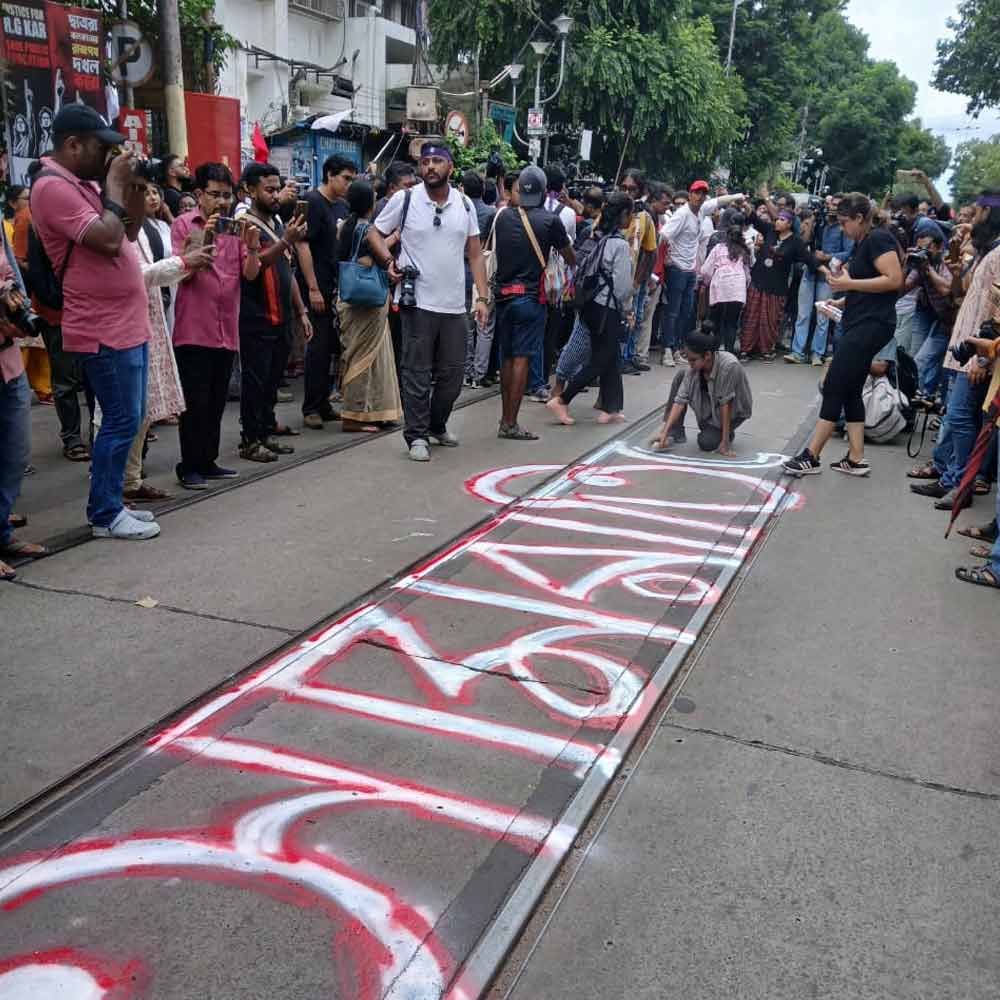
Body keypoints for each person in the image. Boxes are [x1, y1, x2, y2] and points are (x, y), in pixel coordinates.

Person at [31, 104, 159, 539]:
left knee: (133, 417)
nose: (108, 154)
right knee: (121, 419)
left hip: (127, 321)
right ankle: (104, 513)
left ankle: (113, 503)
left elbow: (130, 232)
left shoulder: (85, 184)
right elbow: (105, 240)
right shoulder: (51, 187)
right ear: (72, 144)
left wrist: (135, 184)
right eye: (101, 147)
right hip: (102, 325)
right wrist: (116, 184)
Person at [367, 142, 489, 462]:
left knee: (453, 374)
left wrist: (483, 297)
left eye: (437, 161)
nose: (430, 166)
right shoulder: (405, 199)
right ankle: (417, 435)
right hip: (417, 301)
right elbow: (374, 234)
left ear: (450, 167)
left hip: (454, 305)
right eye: (426, 162)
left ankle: (437, 424)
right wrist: (387, 262)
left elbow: (475, 254)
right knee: (417, 372)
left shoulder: (464, 204)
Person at [783, 193, 903, 478]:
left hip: (871, 325)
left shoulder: (878, 239)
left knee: (835, 384)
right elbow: (866, 285)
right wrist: (842, 300)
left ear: (860, 219)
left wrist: (849, 283)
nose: (843, 228)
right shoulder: (863, 242)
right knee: (850, 389)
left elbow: (893, 280)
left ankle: (811, 455)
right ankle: (856, 458)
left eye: (846, 222)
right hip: (861, 319)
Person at [114, 197, 216, 503]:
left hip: (151, 323)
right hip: (120, 329)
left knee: (141, 410)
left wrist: (185, 260)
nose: (147, 197)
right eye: (136, 190)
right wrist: (184, 262)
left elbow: (158, 272)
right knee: (117, 415)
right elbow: (135, 275)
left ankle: (131, 480)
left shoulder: (147, 228)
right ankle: (111, 491)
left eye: (146, 189)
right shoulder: (108, 230)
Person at [910, 194, 1000, 509]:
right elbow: (960, 293)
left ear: (988, 212)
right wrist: (954, 265)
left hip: (976, 354)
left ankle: (961, 484)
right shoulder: (987, 251)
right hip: (961, 347)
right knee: (955, 414)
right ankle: (950, 479)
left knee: (962, 417)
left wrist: (984, 356)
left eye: (974, 212)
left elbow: (997, 312)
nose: (969, 219)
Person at [171, 162, 253, 490]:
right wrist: (206, 234)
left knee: (218, 400)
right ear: (199, 194)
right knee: (194, 402)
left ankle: (208, 460)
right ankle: (188, 465)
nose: (221, 202)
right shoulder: (182, 225)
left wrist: (253, 245)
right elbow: (184, 267)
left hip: (226, 327)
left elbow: (249, 273)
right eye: (215, 195)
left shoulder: (236, 229)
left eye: (227, 195)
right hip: (194, 327)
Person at [491, 165, 574, 440]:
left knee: (506, 356)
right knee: (522, 359)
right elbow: (569, 256)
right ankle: (510, 423)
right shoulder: (550, 221)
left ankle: (504, 417)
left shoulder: (502, 217)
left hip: (502, 297)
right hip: (529, 298)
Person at [238, 162, 311, 463]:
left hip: (282, 314)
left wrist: (301, 310)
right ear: (249, 190)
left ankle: (266, 429)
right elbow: (251, 270)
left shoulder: (279, 222)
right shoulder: (244, 223)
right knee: (255, 380)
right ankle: (250, 439)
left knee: (272, 378)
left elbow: (287, 271)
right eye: (268, 190)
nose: (274, 195)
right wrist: (285, 242)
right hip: (256, 315)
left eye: (276, 188)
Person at [546, 192, 634, 427]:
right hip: (608, 309)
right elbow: (624, 287)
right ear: (623, 215)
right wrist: (627, 310)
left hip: (591, 306)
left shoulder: (597, 237)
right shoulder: (620, 245)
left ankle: (611, 408)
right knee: (601, 359)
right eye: (630, 213)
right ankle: (562, 400)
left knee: (611, 355)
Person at [336, 179, 402, 431]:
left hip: (349, 298)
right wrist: (394, 236)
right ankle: (353, 415)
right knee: (364, 358)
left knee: (368, 355)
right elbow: (375, 254)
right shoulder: (367, 230)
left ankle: (375, 411)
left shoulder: (344, 226)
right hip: (368, 301)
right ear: (371, 203)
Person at [658, 180, 746, 367]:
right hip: (677, 268)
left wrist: (738, 196)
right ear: (690, 194)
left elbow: (719, 201)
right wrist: (664, 259)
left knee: (686, 312)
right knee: (672, 312)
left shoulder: (701, 210)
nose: (700, 196)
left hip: (691, 269)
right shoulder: (682, 214)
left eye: (703, 193)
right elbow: (663, 236)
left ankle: (676, 349)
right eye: (696, 193)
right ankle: (667, 349)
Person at [296, 154, 356, 430]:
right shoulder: (311, 202)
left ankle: (323, 402)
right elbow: (302, 246)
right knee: (317, 349)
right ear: (330, 175)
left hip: (336, 287)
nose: (348, 184)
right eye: (345, 178)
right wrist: (313, 288)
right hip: (316, 286)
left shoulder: (342, 207)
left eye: (351, 179)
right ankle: (310, 407)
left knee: (332, 347)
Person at [651, 329, 753, 455]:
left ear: (708, 355)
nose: (690, 363)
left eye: (693, 360)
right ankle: (675, 429)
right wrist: (664, 432)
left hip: (733, 412)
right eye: (688, 359)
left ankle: (726, 433)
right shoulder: (694, 367)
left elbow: (726, 403)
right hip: (710, 405)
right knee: (681, 375)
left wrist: (725, 442)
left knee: (706, 442)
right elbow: (680, 400)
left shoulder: (729, 366)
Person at [740, 204, 819, 361]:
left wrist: (827, 272)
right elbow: (754, 218)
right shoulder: (769, 230)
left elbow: (810, 259)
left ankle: (765, 350)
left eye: (782, 220)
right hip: (758, 281)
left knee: (769, 320)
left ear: (789, 224)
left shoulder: (795, 242)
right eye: (777, 219)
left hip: (776, 287)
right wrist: (748, 207)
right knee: (751, 317)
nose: (777, 222)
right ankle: (746, 349)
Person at [787, 194, 854, 365]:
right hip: (810, 271)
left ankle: (817, 353)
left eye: (837, 205)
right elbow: (803, 243)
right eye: (830, 204)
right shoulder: (819, 222)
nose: (832, 208)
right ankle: (797, 352)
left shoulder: (844, 227)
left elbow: (848, 252)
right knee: (803, 314)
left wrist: (828, 256)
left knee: (823, 316)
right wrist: (811, 222)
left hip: (829, 275)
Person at [461, 169, 498, 390]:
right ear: (483, 189)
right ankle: (479, 372)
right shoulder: (491, 212)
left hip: (460, 269)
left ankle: (465, 371)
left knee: (466, 323)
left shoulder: (459, 208)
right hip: (483, 269)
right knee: (484, 323)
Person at [699, 222, 751, 354]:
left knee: (716, 320)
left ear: (727, 236)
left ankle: (715, 352)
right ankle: (729, 353)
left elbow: (705, 270)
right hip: (737, 289)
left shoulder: (718, 248)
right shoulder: (743, 251)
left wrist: (706, 282)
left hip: (720, 287)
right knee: (732, 322)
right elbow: (747, 274)